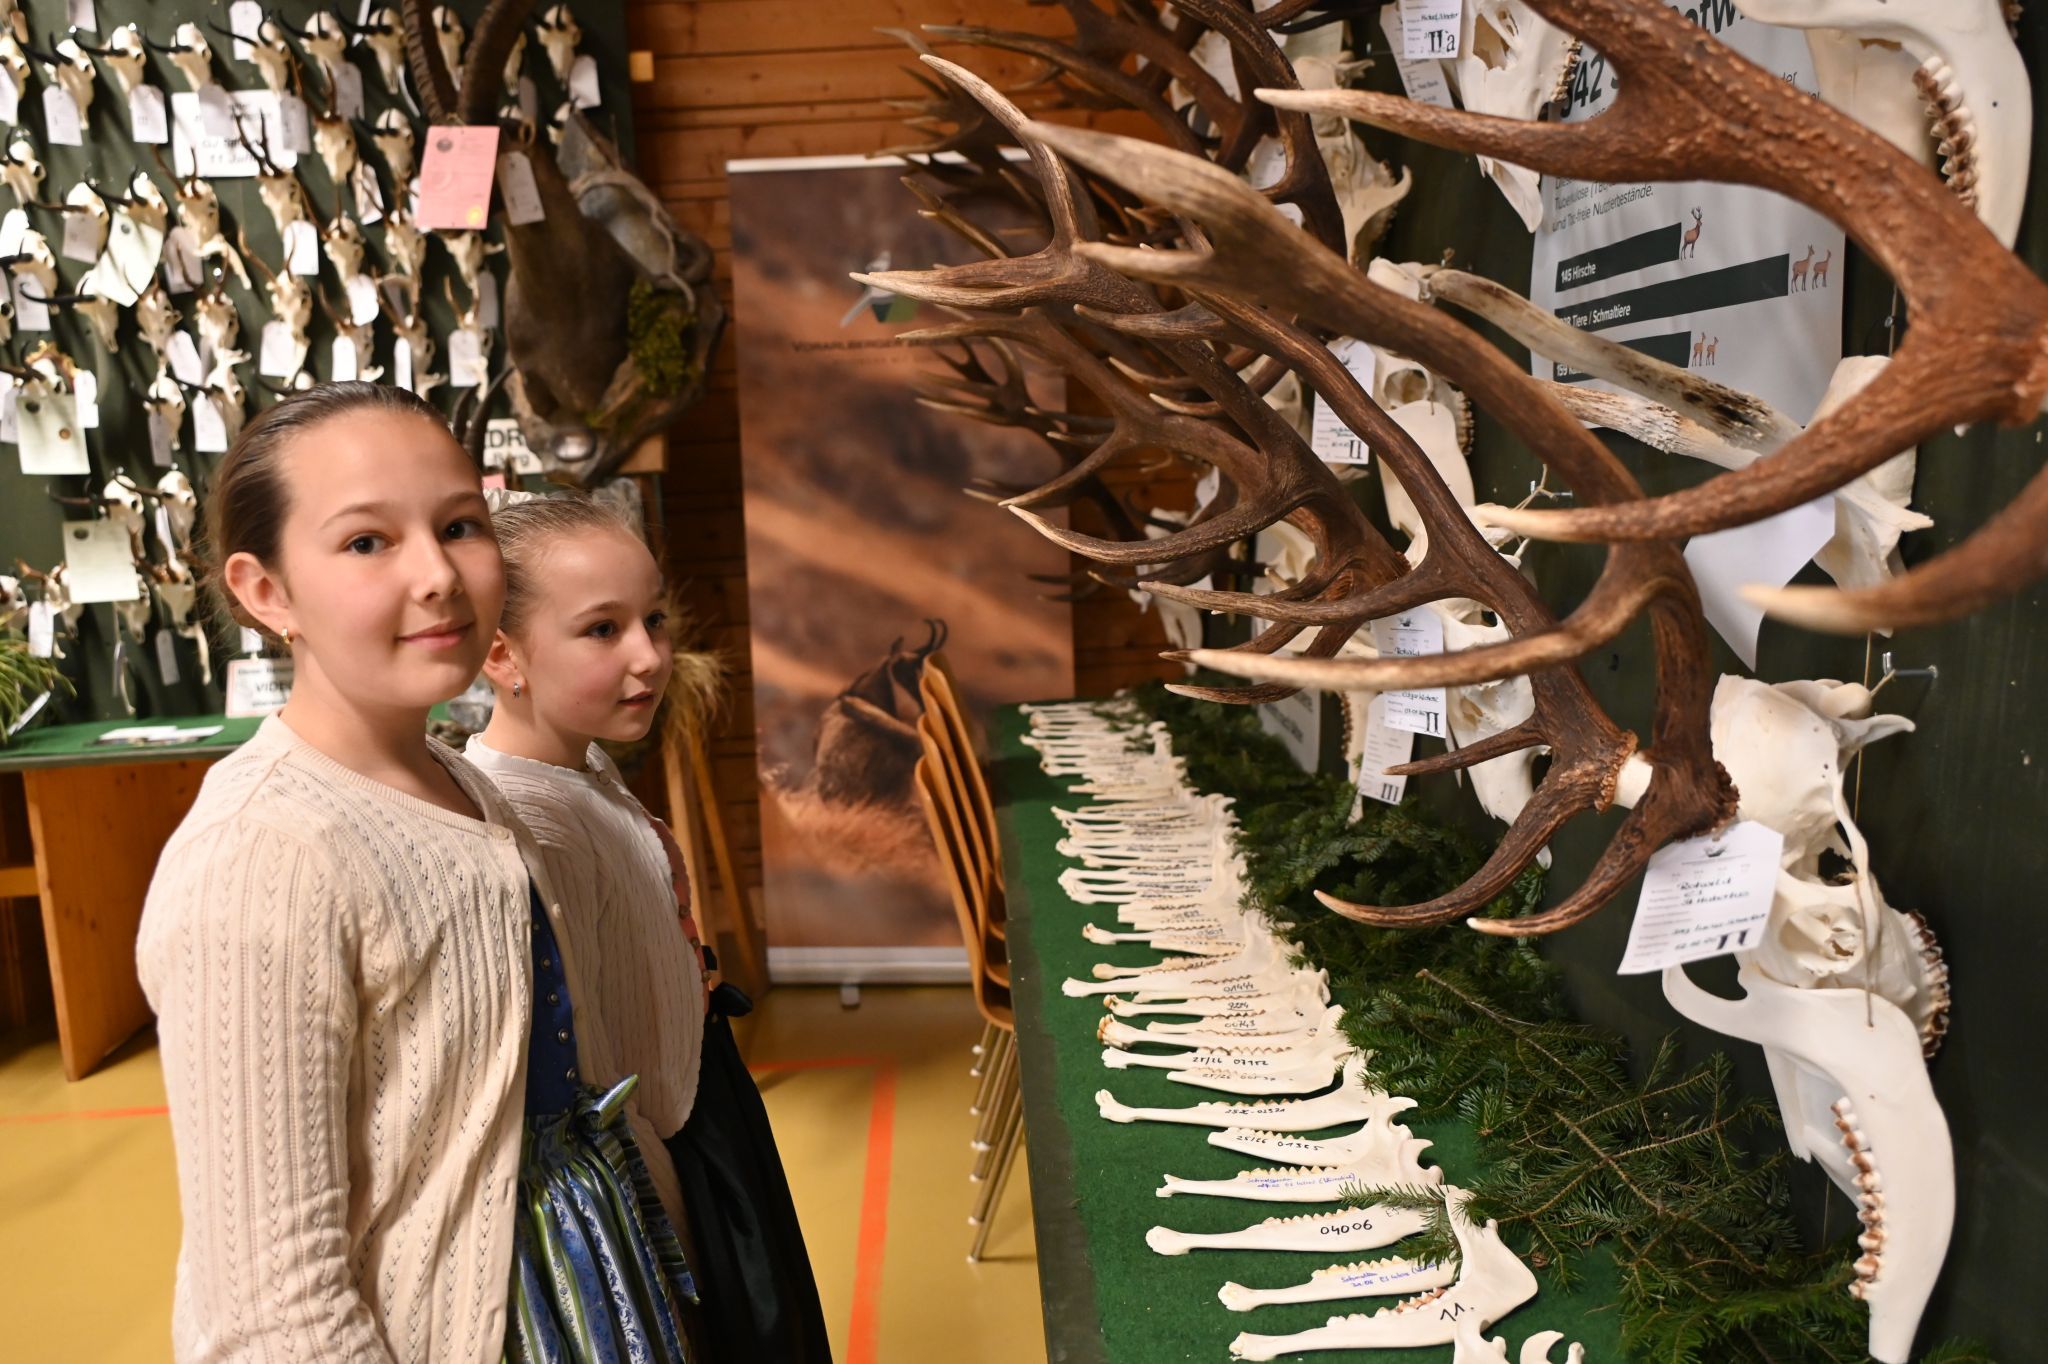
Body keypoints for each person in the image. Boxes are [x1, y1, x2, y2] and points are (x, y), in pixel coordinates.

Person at [136, 384, 696, 1364]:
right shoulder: (261, 858)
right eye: (366, 542)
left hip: (580, 1284)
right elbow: (274, 1310)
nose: (437, 572)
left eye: (459, 524)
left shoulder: (462, 777)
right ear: (266, 590)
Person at [467, 493, 831, 1361]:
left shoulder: (582, 764)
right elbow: (614, 1073)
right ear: (501, 654)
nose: (651, 656)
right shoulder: (534, 827)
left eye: (655, 619)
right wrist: (682, 1226)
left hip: (706, 1115)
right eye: (602, 630)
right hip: (668, 1159)